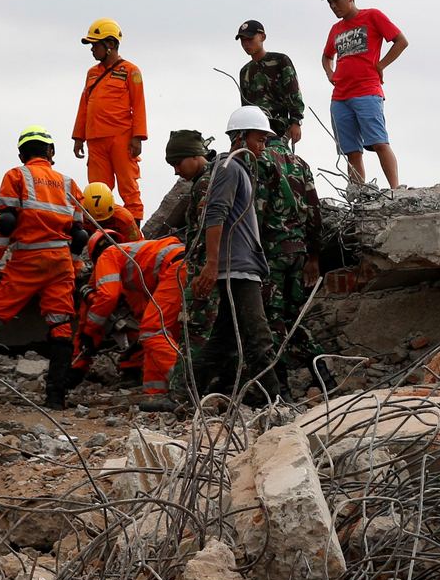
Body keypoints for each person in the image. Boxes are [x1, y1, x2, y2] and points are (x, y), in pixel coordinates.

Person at [0, 126, 88, 408]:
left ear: (21, 154)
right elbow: (79, 235)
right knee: (61, 326)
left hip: (27, 262)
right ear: (51, 152)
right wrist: (75, 267)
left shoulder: (16, 175)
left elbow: (6, 222)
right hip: (60, 264)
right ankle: (56, 399)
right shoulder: (68, 183)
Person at [184, 106, 277, 403]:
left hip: (243, 265)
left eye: (265, 140)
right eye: (259, 139)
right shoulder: (229, 168)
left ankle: (183, 393)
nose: (262, 146)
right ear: (239, 137)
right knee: (258, 337)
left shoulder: (239, 169)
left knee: (223, 340)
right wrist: (212, 264)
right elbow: (215, 214)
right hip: (236, 268)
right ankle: (273, 399)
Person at [74, 231, 188, 411]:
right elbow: (139, 312)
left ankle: (187, 385)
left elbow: (108, 297)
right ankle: (155, 393)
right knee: (161, 335)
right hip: (181, 265)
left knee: (152, 332)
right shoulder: (133, 260)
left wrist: (89, 332)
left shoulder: (108, 254)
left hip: (175, 267)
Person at [319, 0, 407, 188]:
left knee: (379, 142)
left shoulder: (372, 16)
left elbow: (400, 41)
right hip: (340, 97)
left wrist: (381, 64)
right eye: (330, 3)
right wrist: (330, 74)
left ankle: (396, 190)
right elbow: (326, 56)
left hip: (367, 91)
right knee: (351, 151)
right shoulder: (336, 29)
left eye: (336, 0)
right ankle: (357, 195)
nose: (333, 6)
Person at [254, 139, 323, 379]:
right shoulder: (300, 163)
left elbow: (257, 212)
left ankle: (280, 387)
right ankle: (323, 374)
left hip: (271, 254)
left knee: (272, 318)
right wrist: (313, 257)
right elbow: (315, 212)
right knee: (294, 317)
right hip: (298, 251)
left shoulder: (261, 160)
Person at [71, 19, 147, 221]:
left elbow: (139, 105)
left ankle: (134, 227)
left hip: (121, 138)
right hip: (95, 140)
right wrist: (79, 137)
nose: (92, 49)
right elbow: (84, 106)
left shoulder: (131, 71)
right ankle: (103, 230)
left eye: (95, 44)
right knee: (97, 190)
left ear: (110, 44)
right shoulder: (91, 74)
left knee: (128, 185)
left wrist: (138, 137)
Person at [236, 21, 305, 150]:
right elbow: (245, 106)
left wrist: (296, 122)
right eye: (243, 40)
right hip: (254, 128)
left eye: (250, 39)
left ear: (262, 37)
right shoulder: (245, 71)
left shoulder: (280, 61)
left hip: (278, 126)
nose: (246, 44)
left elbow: (293, 93)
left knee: (276, 159)